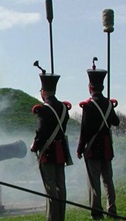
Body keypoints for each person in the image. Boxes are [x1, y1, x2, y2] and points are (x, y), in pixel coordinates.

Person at [76, 62, 120, 220]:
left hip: (93, 148)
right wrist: (110, 108)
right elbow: (116, 122)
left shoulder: (88, 106)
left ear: (90, 87)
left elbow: (85, 131)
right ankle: (112, 209)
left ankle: (97, 212)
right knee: (108, 180)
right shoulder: (108, 104)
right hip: (107, 147)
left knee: (94, 182)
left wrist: (80, 149)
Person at [30, 64, 72, 221]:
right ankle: (60, 216)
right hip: (60, 151)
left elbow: (41, 133)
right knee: (61, 185)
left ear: (43, 91)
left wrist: (34, 146)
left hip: (47, 152)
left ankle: (52, 218)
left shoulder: (43, 110)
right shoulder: (63, 108)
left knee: (50, 187)